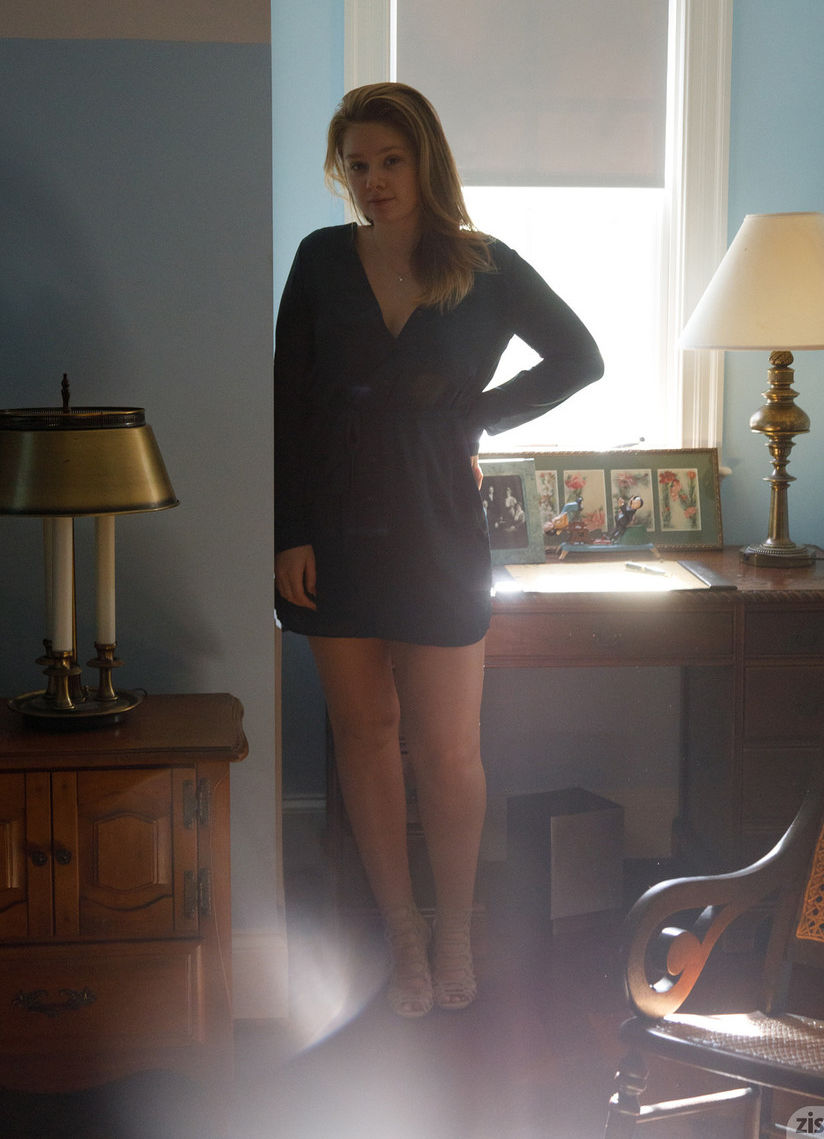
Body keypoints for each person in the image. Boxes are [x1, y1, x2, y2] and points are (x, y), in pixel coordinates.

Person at [274, 83, 604, 1018]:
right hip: (332, 526)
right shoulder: (321, 259)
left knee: (448, 748)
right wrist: (287, 531)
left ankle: (455, 925)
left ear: (425, 163)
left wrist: (474, 418)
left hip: (437, 524)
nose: (373, 182)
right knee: (365, 736)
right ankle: (402, 931)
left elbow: (579, 357)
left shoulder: (483, 266)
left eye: (391, 161)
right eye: (357, 165)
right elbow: (287, 402)